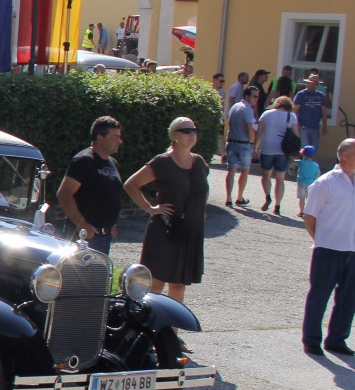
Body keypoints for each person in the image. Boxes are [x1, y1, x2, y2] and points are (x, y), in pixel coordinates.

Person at [124, 116, 209, 302]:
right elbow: (131, 184)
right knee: (156, 284)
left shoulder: (199, 162)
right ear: (174, 135)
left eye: (194, 130)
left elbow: (201, 191)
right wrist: (150, 208)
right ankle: (150, 328)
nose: (192, 134)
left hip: (189, 232)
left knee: (179, 286)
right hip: (165, 230)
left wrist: (200, 212)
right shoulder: (162, 162)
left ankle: (171, 331)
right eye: (186, 131)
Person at [301, 137, 355, 356]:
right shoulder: (326, 182)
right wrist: (320, 239)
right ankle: (311, 339)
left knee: (349, 298)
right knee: (320, 295)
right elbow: (309, 215)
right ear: (344, 155)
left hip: (352, 249)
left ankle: (337, 339)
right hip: (328, 248)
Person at [56, 116, 123, 251]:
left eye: (119, 137)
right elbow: (64, 194)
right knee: (77, 272)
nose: (120, 141)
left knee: (100, 272)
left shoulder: (112, 163)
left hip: (105, 236)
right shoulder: (84, 161)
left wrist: (112, 224)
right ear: (100, 137)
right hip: (85, 236)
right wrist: (82, 224)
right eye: (115, 137)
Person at [255, 95, 299, 216]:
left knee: (266, 175)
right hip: (283, 150)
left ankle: (268, 196)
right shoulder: (292, 116)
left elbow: (259, 132)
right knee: (280, 178)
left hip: (267, 148)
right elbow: (296, 135)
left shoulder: (266, 114)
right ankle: (277, 206)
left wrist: (256, 147)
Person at [224, 86, 260, 206]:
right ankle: (239, 197)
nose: (256, 99)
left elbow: (229, 123)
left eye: (257, 97)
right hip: (243, 144)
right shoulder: (247, 109)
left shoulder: (235, 106)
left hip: (231, 141)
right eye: (254, 96)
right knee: (245, 170)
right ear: (247, 96)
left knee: (231, 171)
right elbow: (250, 129)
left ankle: (228, 198)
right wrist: (254, 145)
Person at [294, 71, 328, 156]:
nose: (312, 85)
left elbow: (323, 112)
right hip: (303, 126)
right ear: (307, 83)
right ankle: (304, 166)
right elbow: (295, 111)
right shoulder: (301, 94)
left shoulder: (321, 96)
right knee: (305, 149)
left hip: (315, 127)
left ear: (317, 84)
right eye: (310, 83)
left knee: (313, 150)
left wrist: (324, 125)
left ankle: (309, 166)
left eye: (314, 83)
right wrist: (296, 125)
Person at [296, 144, 320, 219]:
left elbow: (293, 162)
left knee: (302, 198)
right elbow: (318, 175)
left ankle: (302, 211)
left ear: (303, 154)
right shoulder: (315, 165)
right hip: (311, 184)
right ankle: (309, 213)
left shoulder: (301, 162)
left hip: (301, 183)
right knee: (310, 199)